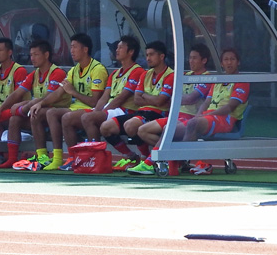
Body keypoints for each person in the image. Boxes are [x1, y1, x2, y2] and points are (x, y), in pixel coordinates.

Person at [127, 43, 211, 175]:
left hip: (190, 119)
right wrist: (176, 98)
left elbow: (190, 99)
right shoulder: (185, 75)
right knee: (142, 130)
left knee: (167, 130)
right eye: (190, 58)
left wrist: (146, 95)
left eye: (194, 58)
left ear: (204, 60)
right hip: (174, 117)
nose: (191, 61)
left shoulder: (207, 78)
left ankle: (149, 163)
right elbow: (172, 98)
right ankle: (171, 158)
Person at [29, 33, 108, 171]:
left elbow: (95, 102)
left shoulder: (97, 69)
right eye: (71, 47)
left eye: (74, 47)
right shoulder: (74, 70)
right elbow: (58, 92)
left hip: (92, 110)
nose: (71, 51)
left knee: (66, 117)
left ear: (85, 49)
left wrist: (73, 92)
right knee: (41, 112)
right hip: (75, 108)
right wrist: (40, 103)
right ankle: (50, 157)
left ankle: (74, 157)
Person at [100, 40, 173, 172]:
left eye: (151, 55)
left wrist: (144, 95)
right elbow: (137, 99)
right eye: (147, 55)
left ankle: (146, 157)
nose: (148, 58)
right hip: (141, 112)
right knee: (106, 127)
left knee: (131, 125)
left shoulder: (170, 75)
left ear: (162, 56)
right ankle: (132, 156)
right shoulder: (145, 74)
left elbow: (160, 102)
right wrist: (151, 99)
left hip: (158, 114)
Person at [0, 39, 69, 168]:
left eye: (36, 54)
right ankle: (12, 158)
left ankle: (54, 157)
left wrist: (24, 105)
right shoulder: (34, 74)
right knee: (14, 119)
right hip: (39, 112)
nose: (32, 58)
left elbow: (49, 97)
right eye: (31, 55)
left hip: (57, 112)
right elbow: (16, 93)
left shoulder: (57, 73)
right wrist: (0, 109)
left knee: (35, 111)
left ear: (46, 55)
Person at [181, 48, 249, 175]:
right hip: (209, 117)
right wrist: (199, 115)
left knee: (192, 124)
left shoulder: (242, 82)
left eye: (232, 59)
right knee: (172, 128)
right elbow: (206, 103)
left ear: (238, 62)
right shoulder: (218, 80)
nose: (229, 62)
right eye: (226, 60)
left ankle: (184, 161)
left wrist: (206, 115)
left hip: (226, 119)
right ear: (221, 63)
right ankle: (162, 161)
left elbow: (230, 107)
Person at [76, 35, 145, 161]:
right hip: (112, 109)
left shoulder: (137, 71)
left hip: (126, 110)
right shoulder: (114, 73)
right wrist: (97, 111)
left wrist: (100, 114)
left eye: (120, 48)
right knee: (69, 118)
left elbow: (121, 98)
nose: (116, 50)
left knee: (88, 118)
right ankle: (74, 157)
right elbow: (104, 97)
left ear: (131, 52)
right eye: (117, 48)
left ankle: (96, 158)